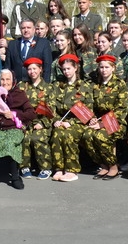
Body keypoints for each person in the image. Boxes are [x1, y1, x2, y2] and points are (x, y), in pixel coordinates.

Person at [49, 54, 94, 182]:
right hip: (61, 121)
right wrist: (56, 120)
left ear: (75, 68)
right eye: (64, 69)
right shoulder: (58, 86)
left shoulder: (84, 86)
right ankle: (59, 168)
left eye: (69, 68)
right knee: (57, 134)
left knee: (68, 135)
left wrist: (72, 122)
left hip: (78, 123)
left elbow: (88, 111)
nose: (66, 72)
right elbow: (51, 107)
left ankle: (71, 170)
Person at [84, 54, 128, 180]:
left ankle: (113, 166)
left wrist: (102, 124)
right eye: (101, 67)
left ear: (113, 68)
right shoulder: (96, 84)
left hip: (116, 122)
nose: (104, 70)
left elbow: (120, 110)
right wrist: (92, 117)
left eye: (107, 67)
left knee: (100, 136)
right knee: (86, 135)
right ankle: (103, 164)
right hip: (99, 120)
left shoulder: (120, 85)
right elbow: (91, 103)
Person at [19, 57, 53, 180]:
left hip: (42, 121)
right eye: (29, 69)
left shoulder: (48, 88)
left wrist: (43, 123)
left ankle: (45, 167)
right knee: (25, 137)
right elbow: (17, 105)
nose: (32, 71)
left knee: (38, 137)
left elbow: (51, 109)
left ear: (40, 69)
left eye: (34, 68)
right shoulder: (22, 86)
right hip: (25, 121)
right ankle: (24, 166)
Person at [6, 18, 53, 82]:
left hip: (35, 86)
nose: (26, 30)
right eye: (23, 28)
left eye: (29, 28)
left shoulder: (43, 43)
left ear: (34, 29)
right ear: (20, 29)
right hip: (17, 86)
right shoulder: (12, 44)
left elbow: (47, 67)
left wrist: (45, 86)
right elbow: (8, 67)